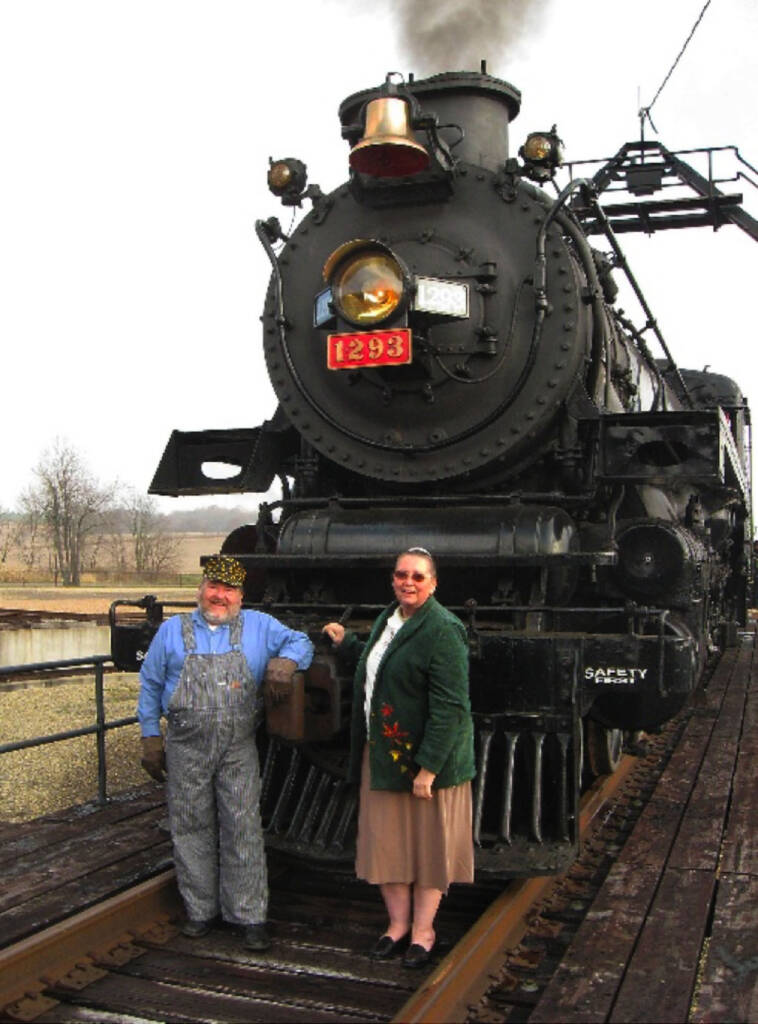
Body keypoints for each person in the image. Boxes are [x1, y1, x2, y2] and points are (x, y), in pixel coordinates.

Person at [137, 553, 314, 951]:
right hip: (185, 746)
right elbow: (149, 684)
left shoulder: (260, 626)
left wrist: (286, 662)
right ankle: (201, 911)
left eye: (228, 589)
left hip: (238, 747)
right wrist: (150, 737)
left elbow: (302, 641)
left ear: (241, 595)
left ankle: (249, 916)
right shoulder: (171, 631)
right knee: (190, 826)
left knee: (243, 826)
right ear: (201, 590)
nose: (220, 596)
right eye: (213, 587)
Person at [323, 547, 475, 968]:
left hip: (428, 763)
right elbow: (381, 670)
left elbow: (451, 707)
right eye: (401, 574)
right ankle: (396, 926)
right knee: (387, 844)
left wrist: (428, 768)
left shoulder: (444, 630)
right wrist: (349, 644)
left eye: (418, 577)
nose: (408, 582)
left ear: (434, 584)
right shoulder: (389, 619)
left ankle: (424, 932)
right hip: (385, 753)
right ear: (393, 579)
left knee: (428, 847)